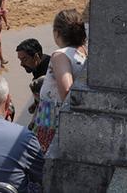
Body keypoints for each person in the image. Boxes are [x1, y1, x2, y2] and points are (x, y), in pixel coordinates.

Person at [31, 9, 87, 156]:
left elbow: (67, 90)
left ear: (57, 33)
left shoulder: (60, 55)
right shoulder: (84, 52)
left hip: (52, 121)